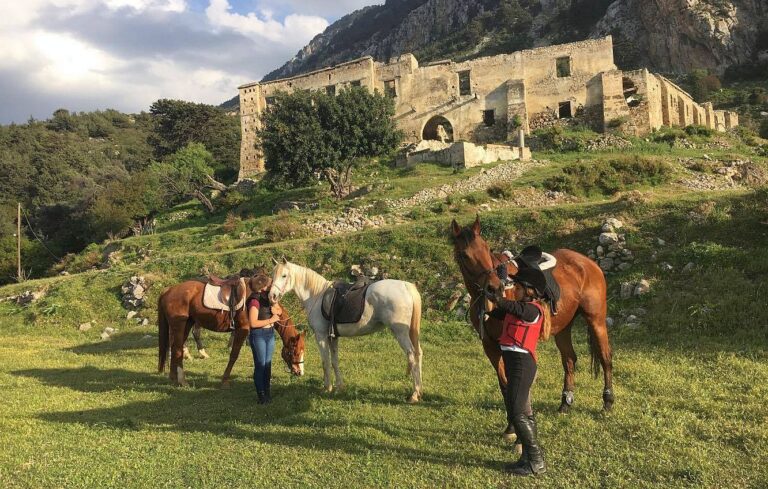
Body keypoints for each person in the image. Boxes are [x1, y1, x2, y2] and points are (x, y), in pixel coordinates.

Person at [485, 266, 551, 476]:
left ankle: (536, 461)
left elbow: (512, 307)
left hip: (522, 364)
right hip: (514, 363)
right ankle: (527, 459)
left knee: (516, 412)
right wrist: (487, 297)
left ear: (530, 291)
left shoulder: (533, 309)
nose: (517, 290)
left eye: (520, 287)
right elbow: (495, 311)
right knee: (523, 412)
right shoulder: (519, 306)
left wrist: (499, 297)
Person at [247, 275, 283, 404]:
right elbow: (253, 323)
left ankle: (267, 392)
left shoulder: (270, 297)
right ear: (262, 287)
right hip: (259, 335)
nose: (271, 285)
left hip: (269, 334)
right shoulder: (254, 301)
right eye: (269, 284)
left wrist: (276, 309)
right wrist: (271, 319)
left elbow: (279, 311)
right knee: (260, 365)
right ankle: (261, 395)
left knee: (267, 365)